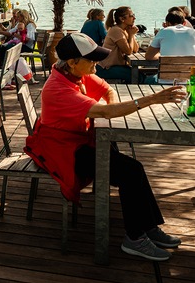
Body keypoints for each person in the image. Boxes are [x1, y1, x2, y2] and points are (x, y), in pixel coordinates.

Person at [24, 32, 184, 261]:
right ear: (72, 62)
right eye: (91, 59)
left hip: (77, 142)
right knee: (131, 171)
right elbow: (107, 112)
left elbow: (107, 91)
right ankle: (135, 239)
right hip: (63, 153)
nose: (96, 63)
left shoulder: (74, 74)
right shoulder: (58, 88)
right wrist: (151, 99)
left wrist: (111, 108)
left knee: (131, 168)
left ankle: (147, 228)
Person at [145, 10, 195, 82]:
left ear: (167, 23)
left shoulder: (163, 31)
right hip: (189, 81)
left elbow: (149, 56)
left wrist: (161, 55)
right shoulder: (193, 32)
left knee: (146, 80)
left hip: (165, 81)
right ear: (184, 23)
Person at [96, 6, 140, 83]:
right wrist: (131, 35)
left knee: (139, 75)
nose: (134, 18)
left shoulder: (125, 30)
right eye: (131, 16)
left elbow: (135, 49)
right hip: (107, 68)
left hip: (116, 66)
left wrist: (131, 34)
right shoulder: (116, 30)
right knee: (138, 76)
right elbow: (128, 51)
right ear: (122, 19)